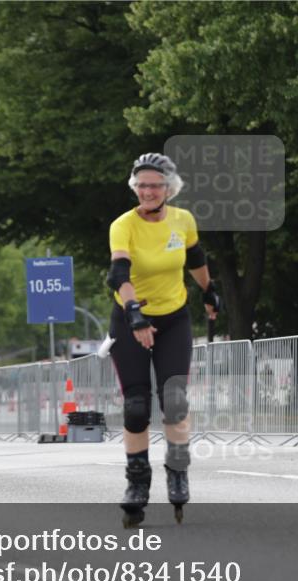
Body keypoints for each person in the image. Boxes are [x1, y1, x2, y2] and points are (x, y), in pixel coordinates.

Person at [107, 153, 220, 527]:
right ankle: (137, 483)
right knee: (136, 406)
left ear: (169, 188)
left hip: (173, 319)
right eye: (141, 185)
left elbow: (195, 257)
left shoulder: (183, 220)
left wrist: (209, 291)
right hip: (130, 318)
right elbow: (119, 273)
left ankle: (177, 470)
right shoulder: (123, 225)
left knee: (174, 399)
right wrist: (134, 313)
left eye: (155, 185)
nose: (148, 192)